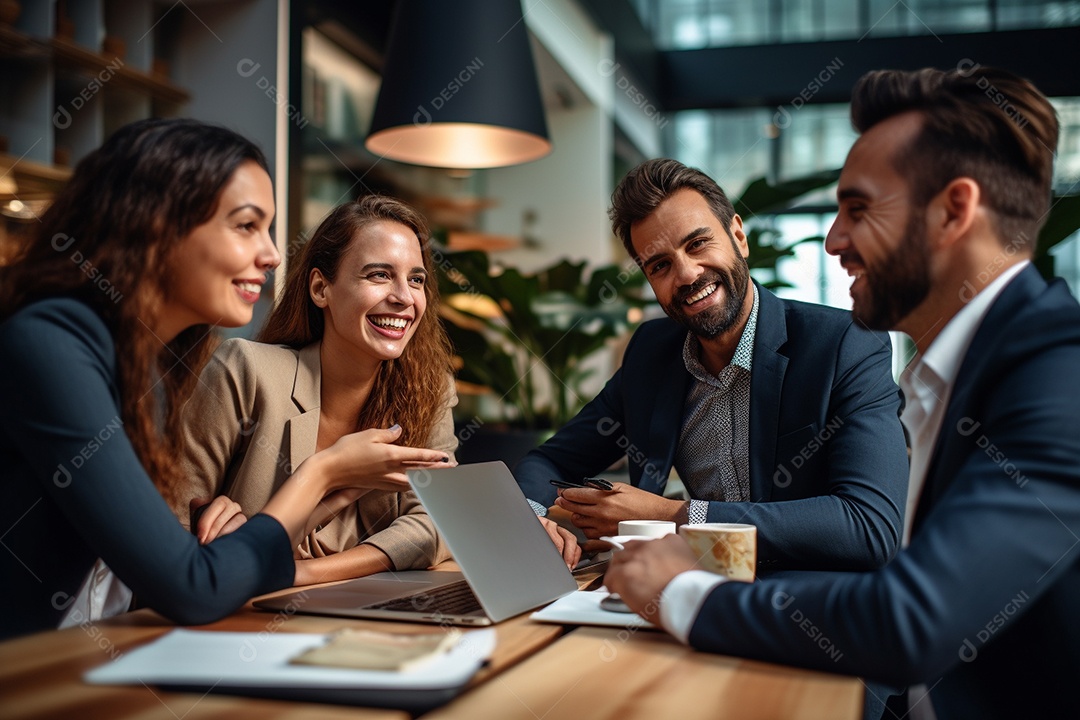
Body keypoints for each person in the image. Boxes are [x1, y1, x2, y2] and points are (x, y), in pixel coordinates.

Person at [605, 66, 1080, 718]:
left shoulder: (1059, 374)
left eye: (858, 210)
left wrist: (682, 592)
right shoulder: (964, 370)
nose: (834, 241)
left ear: (953, 211)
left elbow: (910, 619)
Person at [0, 119, 450, 640]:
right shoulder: (50, 342)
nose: (273, 254)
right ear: (157, 225)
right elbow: (191, 584)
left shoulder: (139, 361)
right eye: (246, 226)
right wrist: (321, 474)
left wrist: (284, 522)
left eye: (269, 229)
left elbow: (172, 566)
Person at [515, 157, 909, 572]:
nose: (686, 274)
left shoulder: (844, 345)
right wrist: (532, 518)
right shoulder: (652, 354)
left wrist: (673, 517)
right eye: (660, 265)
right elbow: (550, 461)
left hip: (808, 603)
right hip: (681, 593)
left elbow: (869, 527)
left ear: (738, 236)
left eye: (698, 243)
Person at [175, 197, 582, 581]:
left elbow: (438, 523)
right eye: (379, 275)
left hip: (355, 619)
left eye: (416, 280)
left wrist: (301, 574)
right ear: (321, 289)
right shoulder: (245, 372)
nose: (404, 298)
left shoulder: (428, 389)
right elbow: (171, 524)